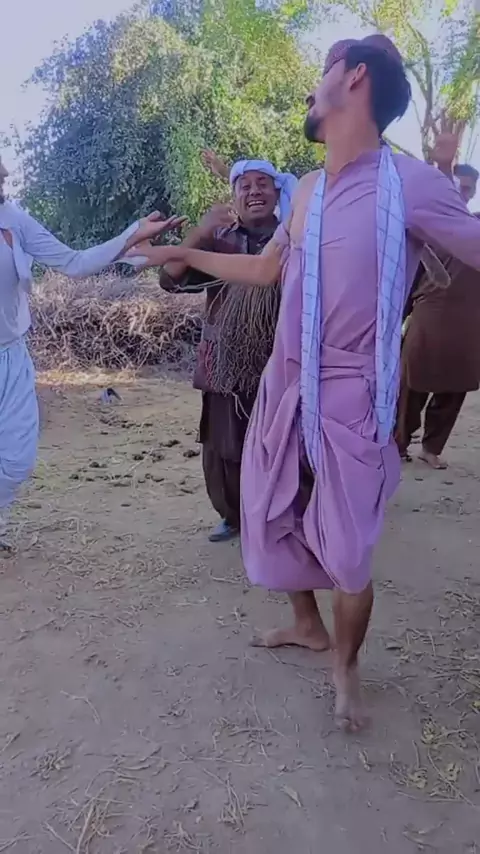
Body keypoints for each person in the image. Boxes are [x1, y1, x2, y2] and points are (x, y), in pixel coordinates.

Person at [126, 35, 480, 730]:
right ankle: (307, 625)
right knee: (270, 510)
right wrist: (178, 250)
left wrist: (446, 175)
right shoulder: (310, 191)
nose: (312, 87)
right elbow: (266, 270)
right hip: (285, 384)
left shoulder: (409, 185)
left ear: (354, 79)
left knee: (348, 551)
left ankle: (345, 668)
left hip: (355, 397)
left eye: (322, 71)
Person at [0, 155, 185, 550]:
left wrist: (132, 234)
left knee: (16, 461)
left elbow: (75, 262)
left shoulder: (14, 219)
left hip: (11, 356)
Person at [157, 159, 297, 542]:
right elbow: (168, 279)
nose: (254, 191)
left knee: (281, 442)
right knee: (223, 445)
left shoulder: (296, 239)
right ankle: (234, 516)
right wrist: (201, 231)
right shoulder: (219, 240)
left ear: (278, 192)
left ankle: (280, 515)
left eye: (263, 183)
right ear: (234, 197)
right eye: (244, 186)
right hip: (223, 364)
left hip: (281, 363)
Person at [395, 131, 480, 468]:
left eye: (469, 189)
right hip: (429, 313)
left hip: (469, 321)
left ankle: (431, 448)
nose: (463, 192)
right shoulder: (427, 221)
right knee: (411, 382)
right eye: (459, 186)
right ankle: (397, 443)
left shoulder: (475, 227)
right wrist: (444, 167)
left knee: (456, 386)